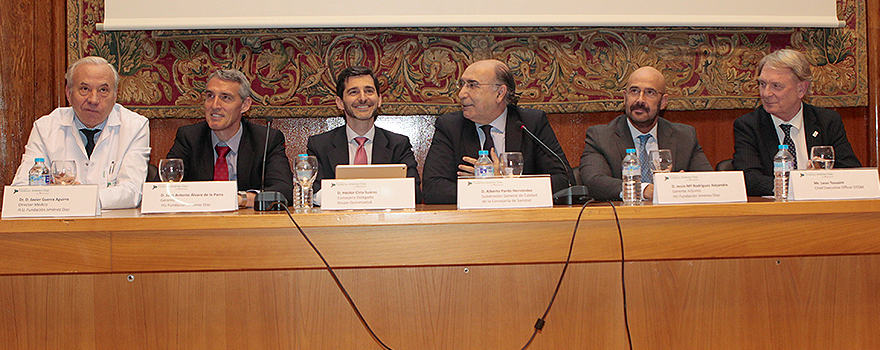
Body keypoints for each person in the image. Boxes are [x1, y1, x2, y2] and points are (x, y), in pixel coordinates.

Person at [422, 59, 572, 204]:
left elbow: (565, 180)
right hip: (468, 224)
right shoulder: (450, 126)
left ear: (500, 93)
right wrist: (488, 187)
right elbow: (432, 189)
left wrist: (505, 183)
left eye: (472, 85)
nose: (461, 94)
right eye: (462, 85)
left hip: (522, 222)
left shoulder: (530, 123)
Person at [12, 56, 150, 209]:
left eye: (103, 90)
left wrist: (76, 197)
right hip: (59, 226)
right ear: (69, 93)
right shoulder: (46, 127)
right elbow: (21, 188)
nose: (93, 99)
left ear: (115, 96)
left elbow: (132, 192)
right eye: (85, 89)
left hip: (112, 226)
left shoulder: (135, 126)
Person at [733, 49, 861, 196]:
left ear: (801, 89)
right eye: (762, 84)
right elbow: (749, 179)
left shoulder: (827, 121)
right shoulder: (749, 125)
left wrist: (824, 179)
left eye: (776, 86)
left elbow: (851, 172)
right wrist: (799, 184)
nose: (765, 93)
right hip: (775, 213)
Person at [578, 66, 712, 201]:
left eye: (650, 93)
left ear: (663, 102)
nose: (640, 100)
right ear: (625, 97)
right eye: (634, 91)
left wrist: (685, 184)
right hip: (623, 218)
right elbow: (593, 182)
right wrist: (644, 190)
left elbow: (709, 181)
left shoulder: (685, 136)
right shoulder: (601, 136)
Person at [166, 69, 294, 206]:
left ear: (245, 105)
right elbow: (161, 188)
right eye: (210, 96)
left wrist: (239, 199)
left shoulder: (266, 139)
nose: (215, 105)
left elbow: (284, 192)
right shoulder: (189, 137)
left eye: (225, 97)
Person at [307, 66, 422, 203]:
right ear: (340, 103)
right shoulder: (320, 145)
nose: (362, 98)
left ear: (379, 100)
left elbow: (413, 193)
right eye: (353, 92)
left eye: (369, 91)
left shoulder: (398, 144)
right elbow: (312, 193)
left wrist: (344, 194)